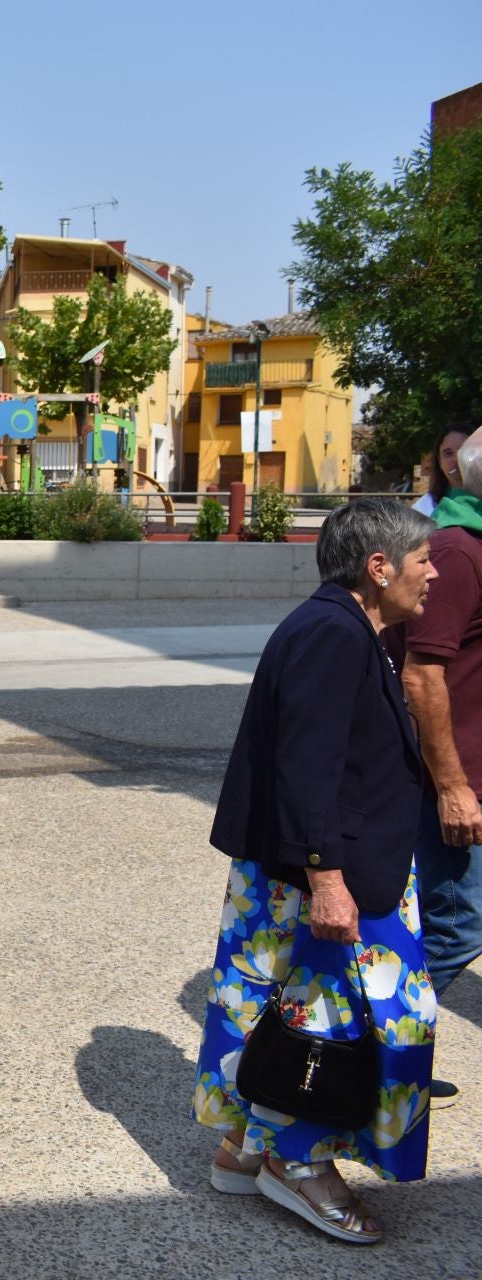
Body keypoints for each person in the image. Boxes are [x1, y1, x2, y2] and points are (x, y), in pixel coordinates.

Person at [197, 498, 439, 1246]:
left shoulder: (343, 627)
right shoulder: (334, 634)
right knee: (340, 1021)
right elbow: (307, 767)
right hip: (324, 873)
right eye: (423, 559)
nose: (432, 573)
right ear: (379, 567)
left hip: (314, 866)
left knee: (278, 1007)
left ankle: (244, 1148)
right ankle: (298, 1163)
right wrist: (327, 880)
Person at [398, 427, 482, 1107]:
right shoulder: (458, 550)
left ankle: (394, 1056)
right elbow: (421, 675)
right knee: (455, 923)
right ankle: (364, 1052)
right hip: (457, 777)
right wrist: (453, 787)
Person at [412, 424, 470, 516]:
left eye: (462, 451)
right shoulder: (424, 507)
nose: (456, 459)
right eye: (448, 454)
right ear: (440, 462)